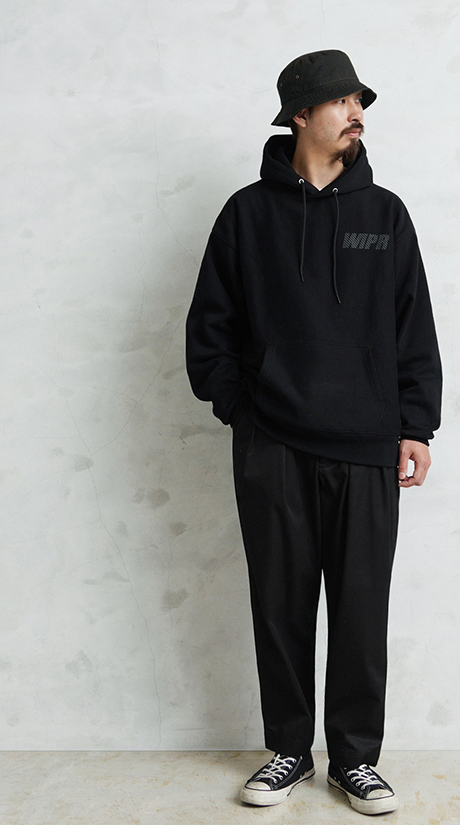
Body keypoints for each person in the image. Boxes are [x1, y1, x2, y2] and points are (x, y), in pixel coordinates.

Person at [185, 49, 442, 816]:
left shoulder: (384, 215)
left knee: (361, 610)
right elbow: (209, 332)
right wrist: (245, 409)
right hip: (274, 446)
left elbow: (413, 327)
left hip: (366, 446)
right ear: (300, 115)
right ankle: (290, 750)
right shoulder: (246, 215)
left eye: (360, 101)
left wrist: (416, 424)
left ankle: (355, 759)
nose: (357, 113)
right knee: (281, 605)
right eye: (340, 101)